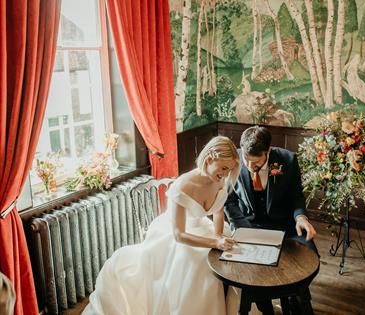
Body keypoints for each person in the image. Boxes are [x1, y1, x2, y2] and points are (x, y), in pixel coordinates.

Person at [83, 136, 240, 315]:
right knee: (199, 265)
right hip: (178, 234)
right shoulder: (183, 185)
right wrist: (214, 244)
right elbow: (179, 235)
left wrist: (218, 235)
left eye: (230, 170)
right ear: (210, 158)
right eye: (224, 168)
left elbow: (218, 211)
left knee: (230, 258)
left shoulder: (220, 180)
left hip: (204, 228)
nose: (226, 175)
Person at [224, 126, 318, 314]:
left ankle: (293, 296)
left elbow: (296, 196)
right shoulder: (233, 160)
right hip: (249, 225)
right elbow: (229, 201)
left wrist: (300, 217)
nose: (250, 167)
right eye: (246, 161)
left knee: (309, 259)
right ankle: (265, 304)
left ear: (268, 151)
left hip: (285, 226)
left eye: (256, 162)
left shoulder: (287, 160)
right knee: (253, 269)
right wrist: (244, 230)